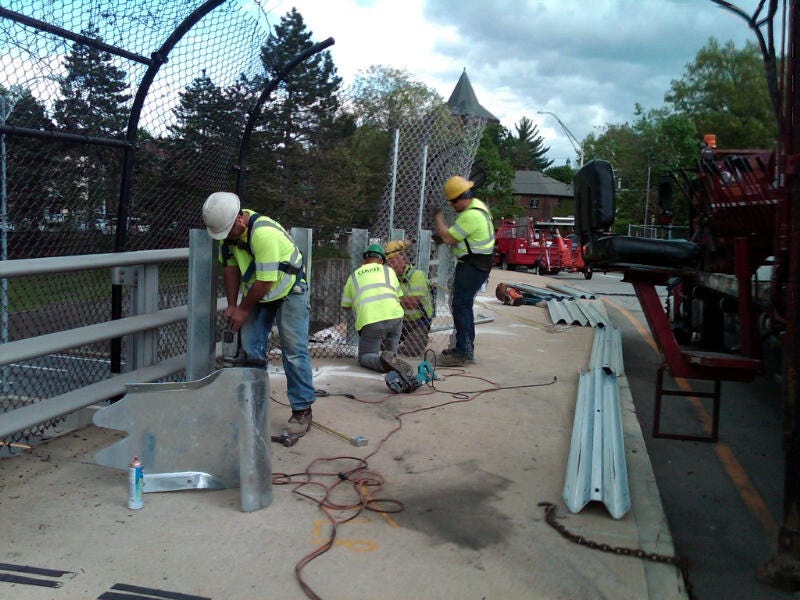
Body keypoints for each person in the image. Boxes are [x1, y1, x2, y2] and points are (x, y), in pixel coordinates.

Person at [201, 191, 315, 437]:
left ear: (239, 221)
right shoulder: (228, 236)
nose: (225, 238)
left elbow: (265, 280)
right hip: (259, 293)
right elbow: (230, 269)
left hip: (288, 290)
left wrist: (243, 310)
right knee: (252, 348)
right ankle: (255, 406)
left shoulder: (263, 234)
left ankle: (302, 408)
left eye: (227, 232)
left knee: (294, 352)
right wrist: (232, 305)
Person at [432, 175, 495, 366]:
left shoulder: (470, 215)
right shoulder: (478, 206)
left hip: (472, 264)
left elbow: (450, 239)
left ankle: (464, 351)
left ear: (462, 197)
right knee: (463, 304)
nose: (451, 206)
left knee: (460, 305)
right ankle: (465, 347)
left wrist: (438, 218)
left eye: (452, 202)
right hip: (478, 263)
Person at [340, 244, 405, 372]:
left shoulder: (354, 276)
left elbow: (345, 305)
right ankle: (392, 357)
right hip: (395, 316)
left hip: (371, 319)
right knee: (393, 337)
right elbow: (399, 296)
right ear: (381, 261)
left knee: (366, 356)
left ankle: (384, 364)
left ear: (364, 260)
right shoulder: (389, 271)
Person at [383, 239, 434, 357]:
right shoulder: (389, 277)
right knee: (380, 345)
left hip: (418, 322)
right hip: (397, 321)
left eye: (393, 260)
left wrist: (390, 298)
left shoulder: (417, 275)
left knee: (412, 351)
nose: (391, 265)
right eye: (388, 262)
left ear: (403, 258)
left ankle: (407, 343)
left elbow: (412, 303)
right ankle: (397, 344)